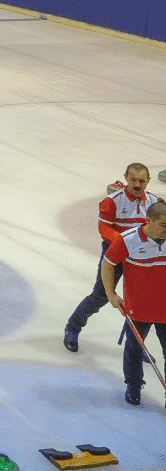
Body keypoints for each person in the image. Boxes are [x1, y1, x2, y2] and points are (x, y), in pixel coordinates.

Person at [64, 163, 161, 353]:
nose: (137, 184)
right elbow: (104, 229)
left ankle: (136, 346)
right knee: (100, 296)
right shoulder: (112, 201)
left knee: (142, 303)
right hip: (116, 255)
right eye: (133, 179)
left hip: (142, 258)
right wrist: (126, 242)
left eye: (141, 181)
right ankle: (73, 327)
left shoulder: (156, 203)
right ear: (125, 178)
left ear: (148, 181)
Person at [102, 200, 166, 406]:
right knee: (134, 349)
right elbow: (108, 264)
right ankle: (134, 384)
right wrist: (111, 295)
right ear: (149, 220)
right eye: (164, 225)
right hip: (138, 308)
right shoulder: (128, 240)